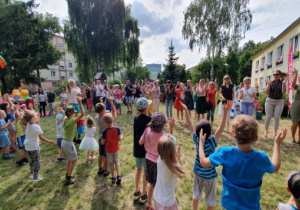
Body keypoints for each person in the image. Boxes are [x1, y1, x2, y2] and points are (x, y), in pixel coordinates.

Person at [198, 114, 287, 209]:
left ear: (232, 135)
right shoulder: (261, 158)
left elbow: (203, 162)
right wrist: (277, 143)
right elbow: (275, 167)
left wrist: (201, 143)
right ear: (256, 138)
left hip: (229, 206)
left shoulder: (225, 153)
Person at [182, 99, 232, 210]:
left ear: (197, 132)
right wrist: (225, 113)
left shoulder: (196, 139)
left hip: (197, 172)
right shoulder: (212, 142)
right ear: (210, 133)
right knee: (210, 200)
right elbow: (221, 128)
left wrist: (186, 109)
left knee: (196, 195)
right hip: (209, 176)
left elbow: (190, 123)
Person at [139, 112, 168, 210]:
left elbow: (140, 142)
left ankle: (149, 202)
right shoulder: (163, 135)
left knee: (152, 182)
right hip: (158, 163)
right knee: (156, 184)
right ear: (162, 125)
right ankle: (154, 204)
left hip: (148, 160)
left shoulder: (147, 130)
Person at [153, 134, 186, 210]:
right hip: (167, 203)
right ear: (173, 151)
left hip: (157, 198)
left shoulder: (159, 160)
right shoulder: (175, 166)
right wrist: (178, 159)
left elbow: (165, 147)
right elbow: (181, 175)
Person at [23, 110, 56, 182]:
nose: (36, 116)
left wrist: (37, 140)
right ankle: (35, 177)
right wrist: (50, 141)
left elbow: (31, 135)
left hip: (27, 146)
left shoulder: (28, 125)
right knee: (37, 161)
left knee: (31, 160)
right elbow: (41, 137)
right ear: (32, 118)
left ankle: (31, 174)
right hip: (34, 147)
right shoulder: (36, 127)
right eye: (35, 115)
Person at [133, 97, 152, 203]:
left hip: (137, 148)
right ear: (146, 107)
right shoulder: (149, 119)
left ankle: (136, 191)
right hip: (145, 150)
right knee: (145, 171)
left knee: (138, 169)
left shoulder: (136, 117)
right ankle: (144, 194)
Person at [61, 97, 84, 185]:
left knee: (70, 160)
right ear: (73, 113)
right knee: (74, 160)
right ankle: (68, 179)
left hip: (64, 142)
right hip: (68, 143)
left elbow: (65, 111)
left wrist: (67, 102)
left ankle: (68, 174)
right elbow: (82, 114)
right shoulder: (72, 121)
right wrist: (80, 103)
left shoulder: (65, 119)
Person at [96, 98, 117, 177]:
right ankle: (105, 170)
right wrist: (111, 102)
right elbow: (114, 112)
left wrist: (101, 102)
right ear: (103, 111)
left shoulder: (97, 117)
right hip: (106, 139)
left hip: (100, 138)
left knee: (100, 155)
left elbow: (101, 110)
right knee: (106, 156)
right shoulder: (105, 119)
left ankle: (100, 169)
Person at [264, 70, 288, 139]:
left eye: (276, 75)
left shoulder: (282, 83)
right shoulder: (271, 82)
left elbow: (283, 92)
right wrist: (268, 84)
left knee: (276, 117)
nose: (275, 76)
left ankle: (275, 132)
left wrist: (284, 83)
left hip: (279, 101)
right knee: (268, 116)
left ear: (280, 75)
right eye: (274, 74)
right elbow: (266, 92)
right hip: (270, 100)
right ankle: (266, 131)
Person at [101, 113, 124, 184]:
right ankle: (119, 175)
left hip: (108, 150)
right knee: (117, 161)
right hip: (116, 149)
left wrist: (102, 141)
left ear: (105, 123)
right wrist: (122, 136)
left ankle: (113, 177)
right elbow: (120, 139)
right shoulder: (117, 129)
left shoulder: (105, 131)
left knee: (111, 163)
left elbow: (102, 142)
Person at [66, 79, 86, 143]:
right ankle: (79, 138)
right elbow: (83, 95)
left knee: (73, 122)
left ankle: (73, 137)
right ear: (72, 84)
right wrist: (84, 88)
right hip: (76, 107)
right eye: (74, 83)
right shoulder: (74, 90)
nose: (75, 84)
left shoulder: (68, 90)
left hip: (70, 106)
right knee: (79, 122)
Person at [290, 69, 300, 144]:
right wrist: (296, 74)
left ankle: (299, 139)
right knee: (295, 123)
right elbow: (293, 85)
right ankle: (293, 138)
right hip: (296, 105)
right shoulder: (297, 86)